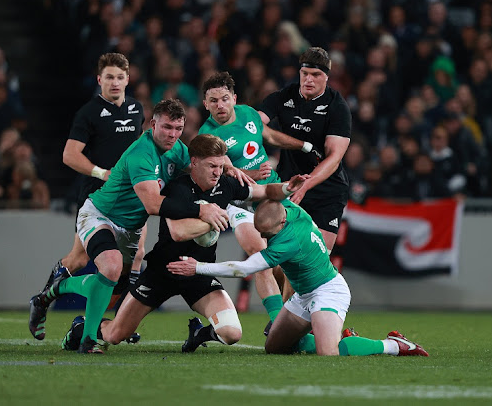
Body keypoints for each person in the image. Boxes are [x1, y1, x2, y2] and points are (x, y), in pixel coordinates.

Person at [58, 134, 307, 354]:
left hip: (198, 272)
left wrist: (286, 188)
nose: (217, 172)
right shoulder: (177, 188)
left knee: (232, 333)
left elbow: (263, 192)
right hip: (162, 272)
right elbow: (177, 232)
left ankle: (199, 334)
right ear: (194, 162)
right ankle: (81, 328)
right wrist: (213, 216)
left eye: (221, 166)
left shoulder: (226, 184)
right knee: (115, 336)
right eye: (211, 166)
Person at [28, 100, 243, 352]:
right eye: (166, 127)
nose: (172, 134)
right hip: (101, 215)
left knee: (116, 289)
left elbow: (202, 161)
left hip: (131, 228)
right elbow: (153, 204)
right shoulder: (142, 154)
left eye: (178, 128)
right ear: (153, 125)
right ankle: (84, 334)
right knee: (111, 266)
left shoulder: (176, 148)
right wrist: (201, 209)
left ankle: (67, 307)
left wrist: (228, 167)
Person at [167, 200, 429, 357]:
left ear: (280, 226)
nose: (264, 238)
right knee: (276, 348)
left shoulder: (287, 242)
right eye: (261, 232)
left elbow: (243, 269)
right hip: (304, 295)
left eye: (267, 233)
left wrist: (198, 267)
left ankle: (394, 345)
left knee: (329, 353)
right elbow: (277, 194)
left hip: (328, 291)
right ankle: (338, 335)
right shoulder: (292, 211)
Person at [197, 71, 315, 324]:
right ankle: (276, 322)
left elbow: (269, 136)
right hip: (238, 201)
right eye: (214, 100)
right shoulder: (207, 135)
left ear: (234, 98)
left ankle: (290, 318)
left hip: (270, 193)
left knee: (287, 262)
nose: (220, 105)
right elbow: (226, 170)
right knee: (258, 254)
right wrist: (251, 172)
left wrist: (302, 145)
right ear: (205, 104)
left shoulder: (249, 113)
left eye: (224, 99)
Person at [37, 53, 145, 316]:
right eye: (109, 77)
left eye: (120, 77)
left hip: (131, 196)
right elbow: (69, 155)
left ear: (128, 79)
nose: (115, 82)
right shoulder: (89, 113)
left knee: (136, 255)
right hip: (97, 196)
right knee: (80, 259)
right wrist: (102, 173)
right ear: (99, 80)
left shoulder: (136, 109)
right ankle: (42, 301)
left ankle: (107, 319)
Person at [257, 47, 352, 253]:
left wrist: (306, 185)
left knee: (316, 262)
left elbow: (334, 157)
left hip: (327, 192)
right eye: (305, 74)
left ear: (326, 77)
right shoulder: (284, 97)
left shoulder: (337, 107)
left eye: (316, 75)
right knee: (281, 260)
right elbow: (253, 126)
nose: (309, 80)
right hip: (288, 185)